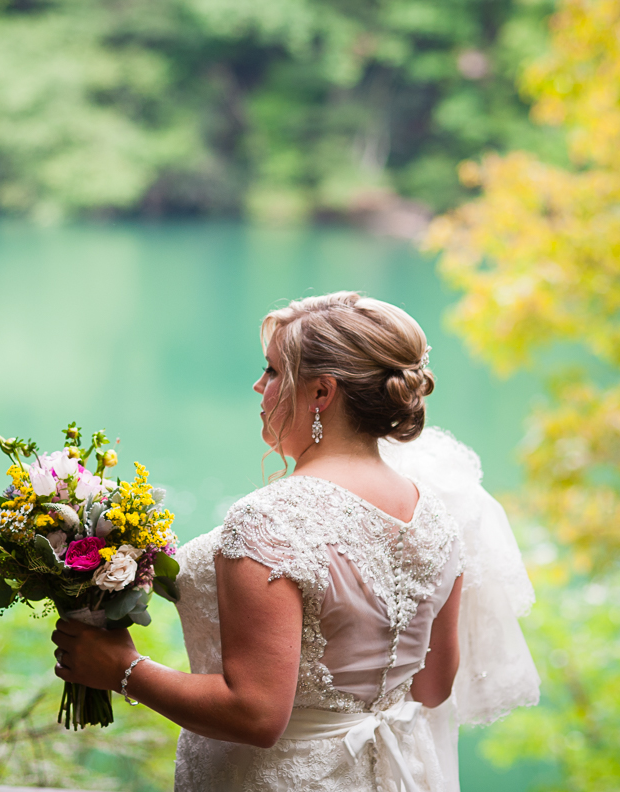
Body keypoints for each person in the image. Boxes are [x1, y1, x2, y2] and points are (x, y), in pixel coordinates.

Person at [52, 292, 539, 792]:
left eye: (273, 371)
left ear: (322, 393)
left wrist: (124, 669)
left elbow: (255, 716)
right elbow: (432, 689)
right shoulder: (436, 515)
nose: (259, 385)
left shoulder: (271, 519)